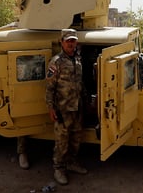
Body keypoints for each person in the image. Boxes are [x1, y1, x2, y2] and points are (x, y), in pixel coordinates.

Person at [46, 28, 88, 185]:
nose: (71, 44)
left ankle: (71, 163)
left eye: (73, 41)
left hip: (77, 107)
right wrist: (51, 108)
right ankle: (59, 168)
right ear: (61, 42)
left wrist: (86, 100)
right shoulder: (56, 62)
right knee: (62, 142)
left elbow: (80, 82)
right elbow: (50, 87)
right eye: (68, 41)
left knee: (76, 139)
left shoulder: (77, 60)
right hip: (62, 109)